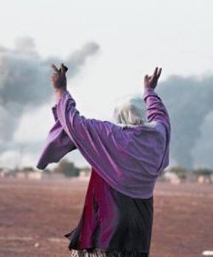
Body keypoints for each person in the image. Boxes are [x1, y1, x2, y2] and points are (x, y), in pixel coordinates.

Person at [37, 64, 171, 257]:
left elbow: (73, 122)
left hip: (107, 229)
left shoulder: (111, 135)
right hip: (140, 230)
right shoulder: (158, 136)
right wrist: (149, 92)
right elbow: (160, 115)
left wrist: (60, 90)